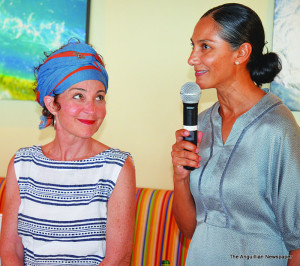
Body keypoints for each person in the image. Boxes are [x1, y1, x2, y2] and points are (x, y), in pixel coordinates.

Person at [171, 3, 300, 266]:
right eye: (193, 46)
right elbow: (190, 231)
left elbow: (298, 245)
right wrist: (180, 178)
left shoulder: (277, 127)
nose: (192, 58)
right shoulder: (202, 124)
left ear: (241, 53)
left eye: (205, 46)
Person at [0, 40, 136, 265]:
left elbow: (118, 259)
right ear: (52, 104)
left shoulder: (117, 167)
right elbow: (9, 250)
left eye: (99, 97)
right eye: (78, 96)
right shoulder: (22, 164)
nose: (92, 109)